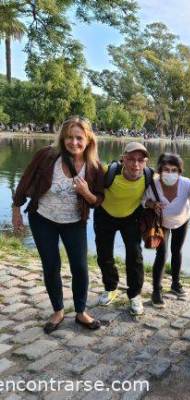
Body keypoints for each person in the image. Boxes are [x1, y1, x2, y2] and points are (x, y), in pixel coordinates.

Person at [12, 116, 103, 333]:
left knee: (80, 267)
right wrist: (17, 209)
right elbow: (25, 180)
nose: (74, 142)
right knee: (51, 265)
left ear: (88, 139)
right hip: (43, 218)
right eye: (69, 137)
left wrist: (86, 192)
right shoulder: (46, 156)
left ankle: (81, 312)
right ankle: (58, 310)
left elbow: (98, 200)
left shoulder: (94, 167)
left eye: (79, 138)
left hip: (74, 222)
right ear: (62, 138)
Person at [94, 142, 152, 316]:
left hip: (131, 217)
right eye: (131, 159)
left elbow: (174, 185)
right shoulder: (108, 172)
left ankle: (134, 295)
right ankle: (110, 287)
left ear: (146, 162)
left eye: (140, 160)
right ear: (123, 159)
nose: (136, 164)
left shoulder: (150, 176)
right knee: (104, 254)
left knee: (135, 256)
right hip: (105, 214)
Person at [142, 153, 190, 306]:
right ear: (160, 171)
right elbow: (143, 201)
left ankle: (175, 283)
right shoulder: (153, 184)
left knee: (177, 250)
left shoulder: (186, 183)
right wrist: (153, 204)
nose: (170, 173)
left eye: (174, 170)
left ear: (179, 171)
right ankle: (156, 290)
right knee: (161, 253)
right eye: (166, 169)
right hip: (162, 222)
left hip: (182, 219)